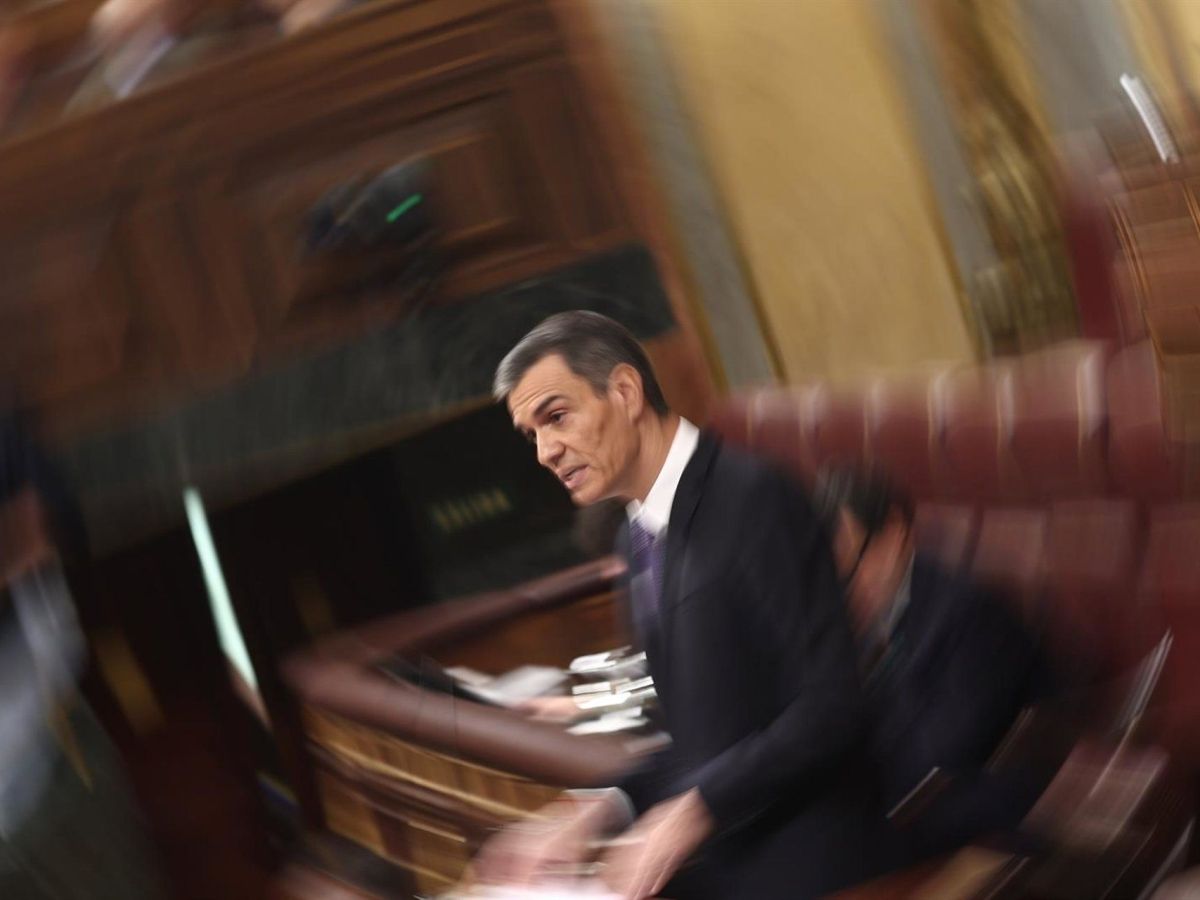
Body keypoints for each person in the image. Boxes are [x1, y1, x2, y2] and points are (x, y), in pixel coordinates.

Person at [476, 311, 889, 899]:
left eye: (557, 417)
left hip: (812, 863)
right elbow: (694, 738)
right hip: (721, 862)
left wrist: (696, 810)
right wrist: (594, 810)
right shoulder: (633, 537)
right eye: (532, 434)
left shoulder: (753, 495)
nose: (545, 452)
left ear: (625, 392)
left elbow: (832, 708)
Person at [812, 466, 1056, 861]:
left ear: (894, 534)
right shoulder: (855, 619)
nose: (845, 588)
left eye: (851, 566)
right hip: (896, 816)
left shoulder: (972, 616)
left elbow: (939, 759)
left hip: (979, 828)